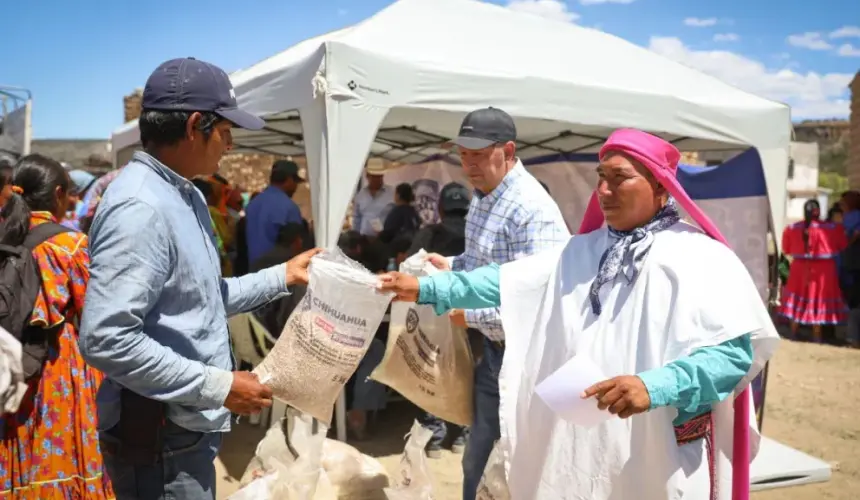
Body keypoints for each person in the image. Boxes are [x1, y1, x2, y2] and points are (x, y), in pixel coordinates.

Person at [380, 129, 780, 500]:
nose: (604, 190)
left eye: (619, 178)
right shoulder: (581, 250)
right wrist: (425, 287)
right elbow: (505, 281)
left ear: (660, 184)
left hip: (658, 449)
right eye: (600, 176)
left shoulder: (700, 257)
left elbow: (733, 356)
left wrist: (655, 386)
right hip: (582, 443)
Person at [78, 57, 321, 500]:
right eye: (225, 131)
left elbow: (201, 298)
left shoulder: (182, 193)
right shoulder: (141, 207)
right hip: (160, 436)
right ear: (195, 126)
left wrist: (282, 275)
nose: (229, 145)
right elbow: (106, 338)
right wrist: (220, 385)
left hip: (183, 428)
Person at [423, 107, 570, 499]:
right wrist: (452, 265)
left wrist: (466, 314)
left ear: (507, 150)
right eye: (463, 154)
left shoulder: (531, 210)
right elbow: (484, 266)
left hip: (530, 363)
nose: (468, 164)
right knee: (479, 459)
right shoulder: (484, 197)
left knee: (524, 465)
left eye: (478, 154)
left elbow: (537, 300)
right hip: (494, 356)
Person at [0, 154, 114, 498]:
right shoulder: (70, 246)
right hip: (59, 372)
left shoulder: (7, 237)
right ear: (59, 194)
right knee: (65, 460)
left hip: (10, 369)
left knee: (20, 454)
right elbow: (99, 314)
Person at [408, 182, 472, 457]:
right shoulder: (476, 235)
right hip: (467, 317)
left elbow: (408, 266)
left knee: (430, 372)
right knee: (465, 373)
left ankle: (434, 438)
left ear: (441, 208)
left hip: (432, 316)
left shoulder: (428, 234)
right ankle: (462, 436)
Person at [779, 199, 848, 342]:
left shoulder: (791, 229)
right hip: (824, 270)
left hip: (799, 268)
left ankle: (793, 332)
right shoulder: (833, 228)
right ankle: (817, 336)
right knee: (819, 299)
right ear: (819, 211)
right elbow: (843, 246)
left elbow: (786, 249)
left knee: (797, 297)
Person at [250, 222, 308, 336]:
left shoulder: (259, 261)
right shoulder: (294, 267)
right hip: (278, 333)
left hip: (254, 329)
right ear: (298, 241)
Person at [244, 159, 304, 264]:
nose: (296, 187)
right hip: (279, 273)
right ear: (289, 180)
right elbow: (296, 245)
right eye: (296, 182)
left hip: (253, 273)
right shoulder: (289, 207)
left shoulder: (253, 203)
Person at [352, 158, 394, 237]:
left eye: (379, 176)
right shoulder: (360, 195)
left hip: (385, 240)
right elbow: (356, 218)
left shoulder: (392, 193)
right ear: (367, 176)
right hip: (364, 238)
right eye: (374, 176)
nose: (377, 179)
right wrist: (356, 237)